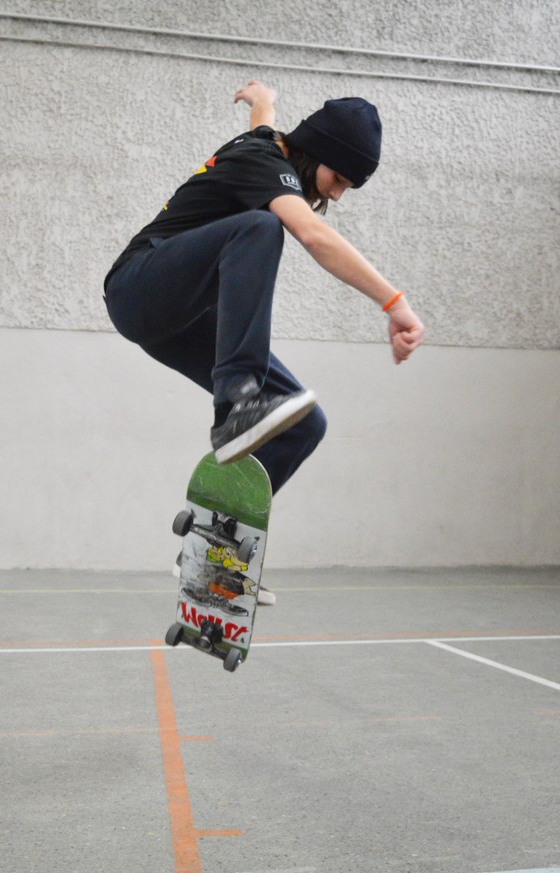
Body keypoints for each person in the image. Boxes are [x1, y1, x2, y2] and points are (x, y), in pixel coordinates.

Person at [104, 81, 424, 592]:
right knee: (261, 228)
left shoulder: (266, 145)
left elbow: (264, 122)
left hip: (180, 321)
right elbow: (314, 236)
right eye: (338, 178)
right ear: (316, 150)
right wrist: (394, 303)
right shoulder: (262, 161)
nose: (335, 194)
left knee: (304, 422)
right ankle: (237, 402)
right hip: (137, 288)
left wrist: (262, 99)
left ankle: (212, 551)